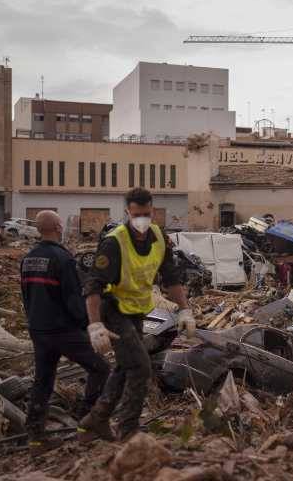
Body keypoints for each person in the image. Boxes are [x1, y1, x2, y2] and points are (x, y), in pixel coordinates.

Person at [78, 188, 193, 443]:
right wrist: (95, 324)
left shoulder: (158, 238)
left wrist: (185, 308)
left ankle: (95, 420)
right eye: (137, 214)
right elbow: (92, 286)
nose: (142, 219)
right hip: (112, 311)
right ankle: (128, 429)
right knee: (141, 367)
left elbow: (171, 276)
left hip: (137, 313)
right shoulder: (114, 242)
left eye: (147, 213)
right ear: (128, 213)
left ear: (153, 211)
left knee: (124, 366)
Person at [21, 211, 110, 457]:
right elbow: (74, 301)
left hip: (38, 330)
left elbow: (26, 297)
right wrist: (89, 327)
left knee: (43, 380)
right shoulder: (62, 258)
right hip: (61, 329)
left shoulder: (28, 259)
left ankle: (37, 441)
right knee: (101, 367)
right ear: (59, 227)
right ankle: (87, 424)